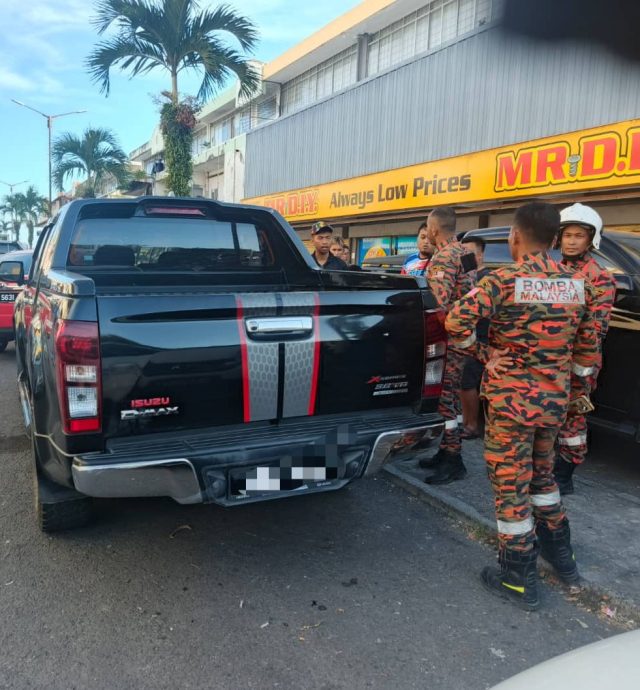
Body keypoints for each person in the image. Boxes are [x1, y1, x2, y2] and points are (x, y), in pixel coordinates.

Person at [445, 202, 599, 610]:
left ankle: (517, 577)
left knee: (511, 485)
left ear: (515, 236)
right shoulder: (578, 284)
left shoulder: (503, 280)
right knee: (543, 479)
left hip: (511, 403)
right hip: (554, 403)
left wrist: (483, 353)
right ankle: (563, 559)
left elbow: (455, 322)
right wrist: (575, 393)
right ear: (554, 239)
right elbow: (587, 353)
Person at [554, 204, 616, 494]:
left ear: (591, 239)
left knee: (573, 416)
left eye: (578, 236)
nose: (571, 241)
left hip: (579, 360)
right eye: (567, 235)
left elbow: (596, 329)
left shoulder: (600, 277)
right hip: (551, 358)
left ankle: (565, 473)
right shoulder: (553, 271)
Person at [421, 207, 477, 484]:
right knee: (451, 396)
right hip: (463, 336)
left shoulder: (443, 257)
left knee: (444, 398)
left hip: (447, 340)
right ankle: (445, 450)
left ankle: (454, 459)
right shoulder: (466, 252)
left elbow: (438, 304)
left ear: (433, 229)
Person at [459, 236, 490, 438]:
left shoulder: (486, 279)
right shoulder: (466, 277)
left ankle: (471, 426)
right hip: (470, 341)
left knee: (467, 383)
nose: (464, 257)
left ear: (480, 255)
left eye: (468, 253)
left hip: (481, 341)